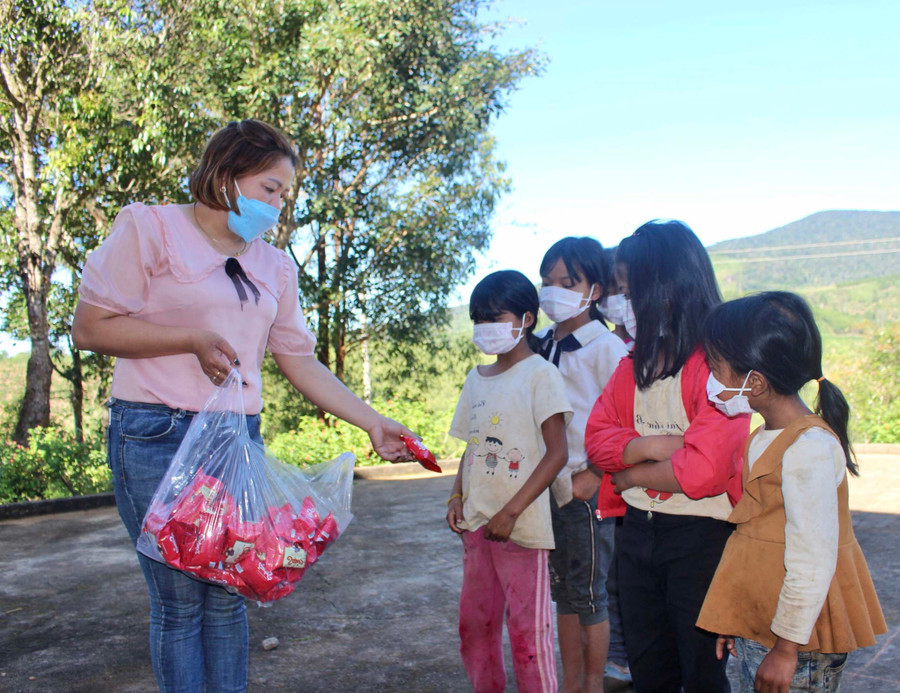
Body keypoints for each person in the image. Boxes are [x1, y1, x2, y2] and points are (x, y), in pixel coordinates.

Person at [71, 119, 415, 693]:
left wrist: (373, 422)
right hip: (155, 434)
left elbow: (299, 359)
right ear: (226, 176)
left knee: (230, 594)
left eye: (284, 194)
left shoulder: (275, 267)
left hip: (235, 439)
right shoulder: (149, 227)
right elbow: (90, 327)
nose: (278, 206)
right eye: (270, 189)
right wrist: (189, 338)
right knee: (180, 602)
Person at [584, 219, 750, 693]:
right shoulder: (631, 366)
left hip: (700, 538)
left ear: (665, 289)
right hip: (638, 534)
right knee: (649, 665)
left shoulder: (717, 366)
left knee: (702, 670)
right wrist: (654, 448)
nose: (618, 303)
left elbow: (704, 470)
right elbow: (596, 440)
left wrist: (626, 474)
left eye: (626, 289)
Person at [696, 291, 886, 693]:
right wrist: (738, 615)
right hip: (764, 627)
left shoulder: (808, 449)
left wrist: (784, 651)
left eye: (716, 367)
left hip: (798, 643)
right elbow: (759, 542)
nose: (710, 380)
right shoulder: (766, 435)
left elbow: (811, 561)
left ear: (756, 382)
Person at [445, 269, 572, 693]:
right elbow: (473, 445)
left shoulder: (540, 374)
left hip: (522, 529)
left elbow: (558, 454)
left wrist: (511, 511)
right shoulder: (475, 379)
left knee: (528, 635)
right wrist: (456, 495)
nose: (485, 329)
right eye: (478, 320)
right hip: (477, 526)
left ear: (526, 319)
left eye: (495, 319)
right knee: (475, 628)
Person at [535, 237, 628, 693]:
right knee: (564, 595)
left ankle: (594, 682)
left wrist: (595, 473)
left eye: (567, 283)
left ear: (594, 290)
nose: (554, 291)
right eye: (547, 282)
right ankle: (569, 681)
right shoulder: (542, 346)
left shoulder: (606, 350)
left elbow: (626, 417)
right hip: (547, 488)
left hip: (584, 490)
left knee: (590, 595)